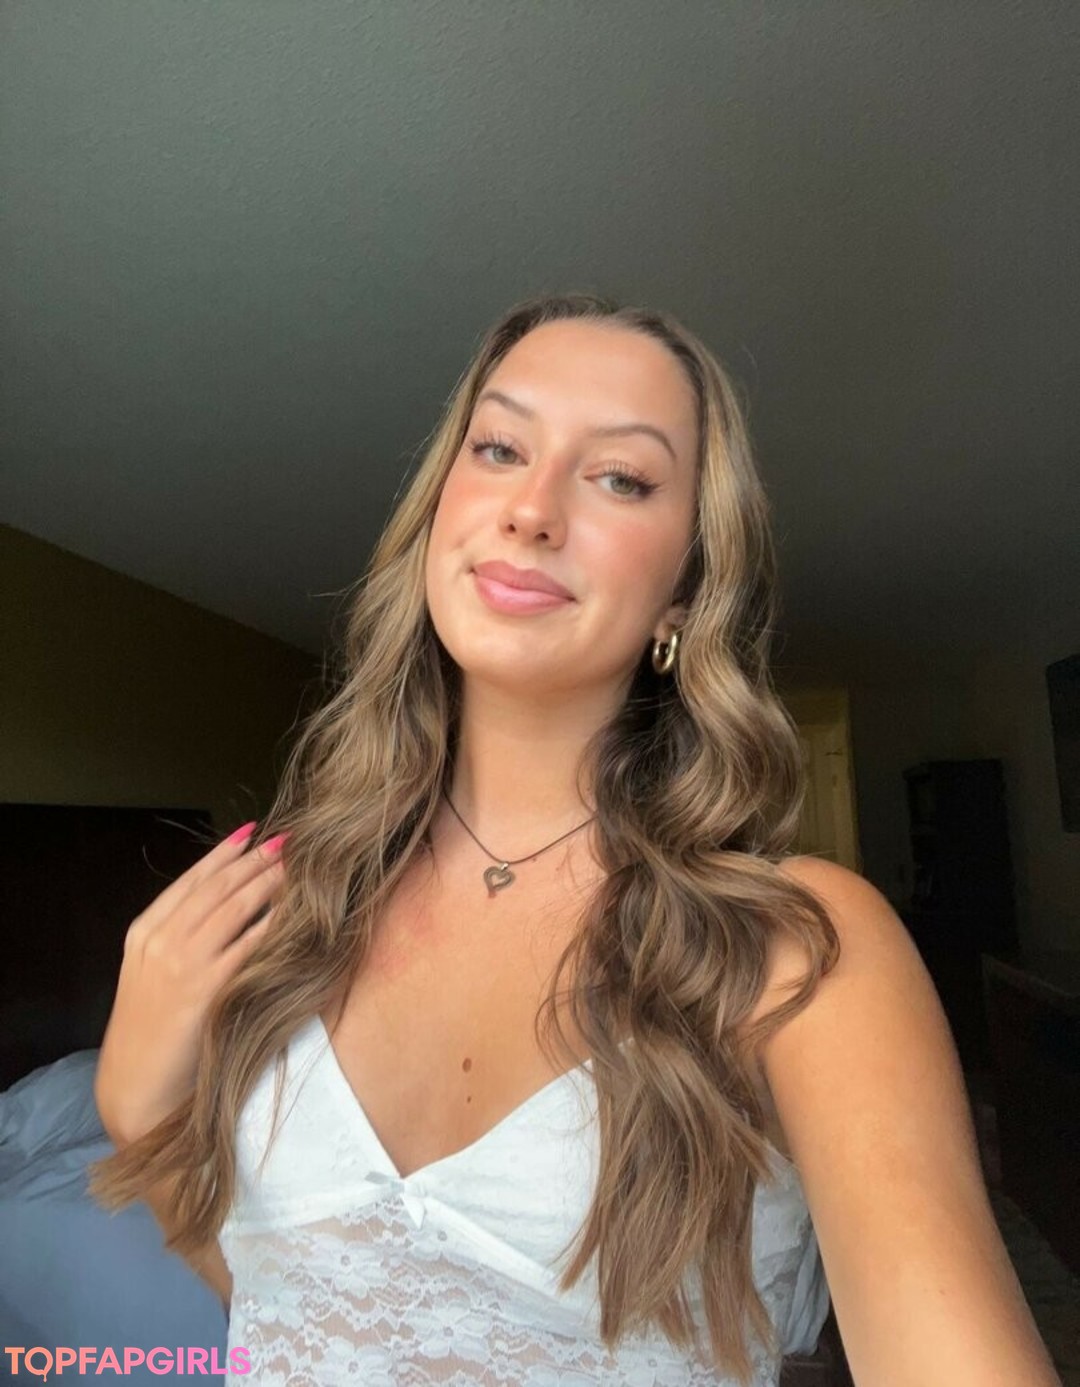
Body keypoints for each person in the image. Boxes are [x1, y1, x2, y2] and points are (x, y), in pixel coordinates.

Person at [89, 293, 1061, 1386]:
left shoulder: (797, 948)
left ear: (685, 591)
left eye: (622, 478)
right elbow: (281, 1302)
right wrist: (139, 1110)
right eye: (500, 448)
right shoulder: (297, 897)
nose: (532, 510)